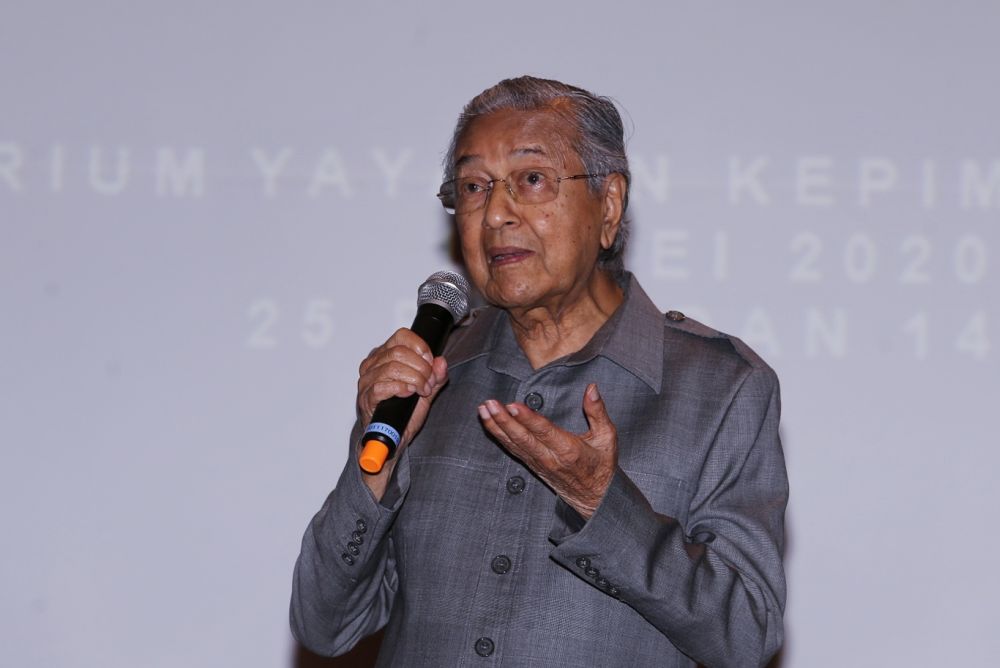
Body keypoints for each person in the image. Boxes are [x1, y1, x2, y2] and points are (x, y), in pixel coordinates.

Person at [290, 76, 788, 667]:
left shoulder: (720, 388)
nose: (496, 213)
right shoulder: (429, 378)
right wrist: (376, 461)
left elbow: (746, 638)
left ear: (608, 204)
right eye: (473, 187)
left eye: (531, 180)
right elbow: (325, 625)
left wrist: (605, 505)